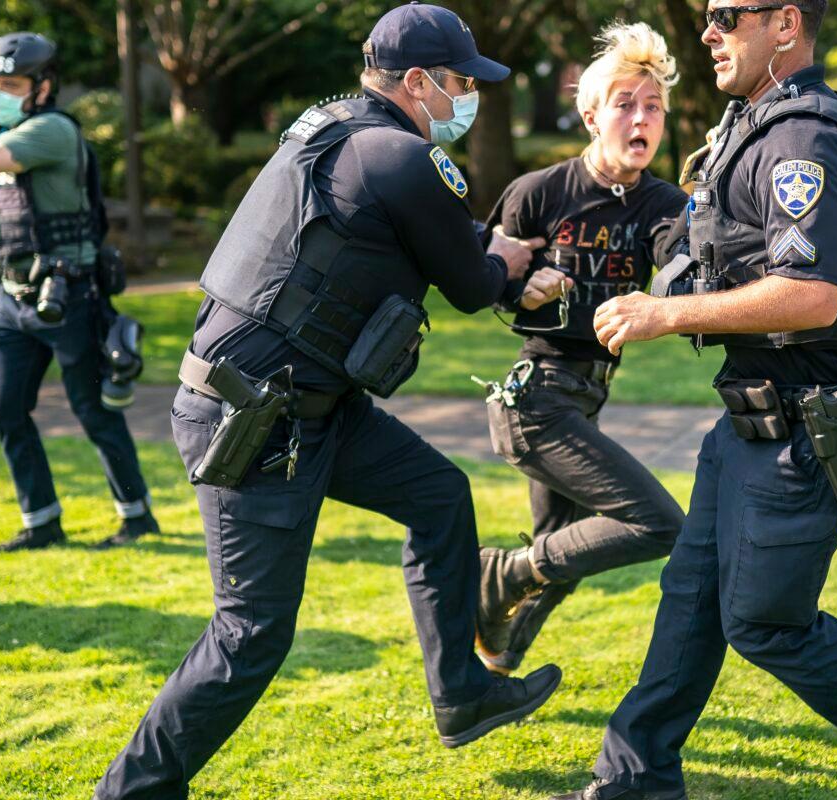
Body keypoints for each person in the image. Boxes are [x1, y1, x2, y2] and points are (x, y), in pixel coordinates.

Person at [93, 5, 567, 797]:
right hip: (256, 421)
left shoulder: (332, 131)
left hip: (306, 404)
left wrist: (488, 248)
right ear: (416, 82)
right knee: (250, 634)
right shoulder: (408, 157)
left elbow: (393, 237)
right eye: (459, 83)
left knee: (439, 496)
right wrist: (509, 261)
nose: (467, 97)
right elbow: (466, 284)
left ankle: (462, 694)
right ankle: (130, 792)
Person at [552, 3, 837, 799]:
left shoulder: (803, 136)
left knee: (764, 624)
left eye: (725, 15)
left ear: (783, 25)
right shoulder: (757, 122)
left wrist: (664, 314)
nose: (707, 32)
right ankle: (635, 777)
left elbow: (811, 295)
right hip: (751, 420)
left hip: (811, 427)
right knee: (690, 602)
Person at [476, 22, 687, 677]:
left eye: (653, 106)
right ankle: (496, 574)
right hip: (533, 398)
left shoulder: (664, 204)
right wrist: (522, 292)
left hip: (585, 398)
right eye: (625, 104)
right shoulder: (539, 193)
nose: (640, 117)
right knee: (657, 523)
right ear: (592, 116)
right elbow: (485, 279)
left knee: (564, 550)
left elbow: (678, 267)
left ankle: (493, 665)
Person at [0, 32, 159, 554]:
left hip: (65, 296)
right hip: (11, 296)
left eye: (11, 84)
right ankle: (41, 521)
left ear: (44, 86)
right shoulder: (10, 134)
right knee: (6, 414)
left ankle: (137, 518)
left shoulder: (48, 130)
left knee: (93, 411)